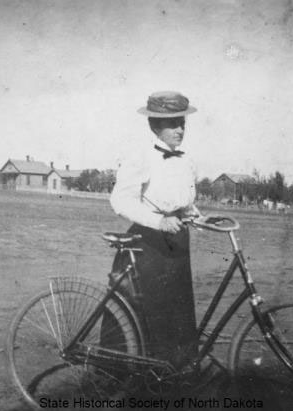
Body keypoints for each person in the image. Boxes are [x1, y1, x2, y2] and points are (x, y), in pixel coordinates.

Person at [107, 91, 200, 368]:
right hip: (149, 242)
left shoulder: (186, 160)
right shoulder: (140, 156)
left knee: (178, 308)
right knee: (151, 309)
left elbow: (184, 203)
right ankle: (137, 374)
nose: (179, 129)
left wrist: (196, 216)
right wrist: (159, 222)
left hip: (177, 240)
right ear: (155, 126)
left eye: (182, 122)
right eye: (172, 124)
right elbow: (120, 200)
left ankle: (173, 370)